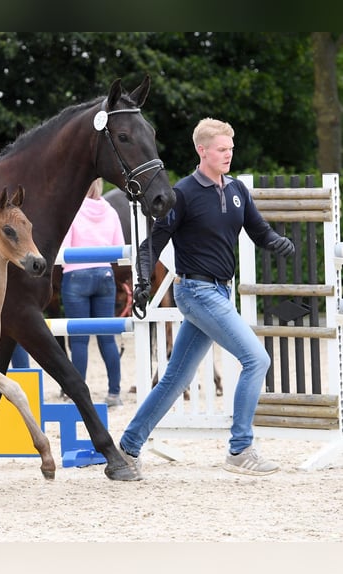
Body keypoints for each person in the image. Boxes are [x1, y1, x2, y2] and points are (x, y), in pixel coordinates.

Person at [119, 117, 295, 476]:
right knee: (256, 360)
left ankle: (127, 448)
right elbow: (153, 243)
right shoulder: (182, 193)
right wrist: (142, 282)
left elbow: (258, 232)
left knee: (175, 379)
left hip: (219, 292)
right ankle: (240, 449)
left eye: (231, 148)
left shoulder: (237, 190)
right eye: (222, 149)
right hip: (196, 291)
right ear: (202, 150)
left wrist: (277, 242)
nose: (229, 154)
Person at [59, 177, 124, 407]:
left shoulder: (72, 210)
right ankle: (114, 393)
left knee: (79, 341)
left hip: (77, 277)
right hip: (105, 276)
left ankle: (79, 393)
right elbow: (120, 247)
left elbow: (64, 248)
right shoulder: (111, 211)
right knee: (108, 339)